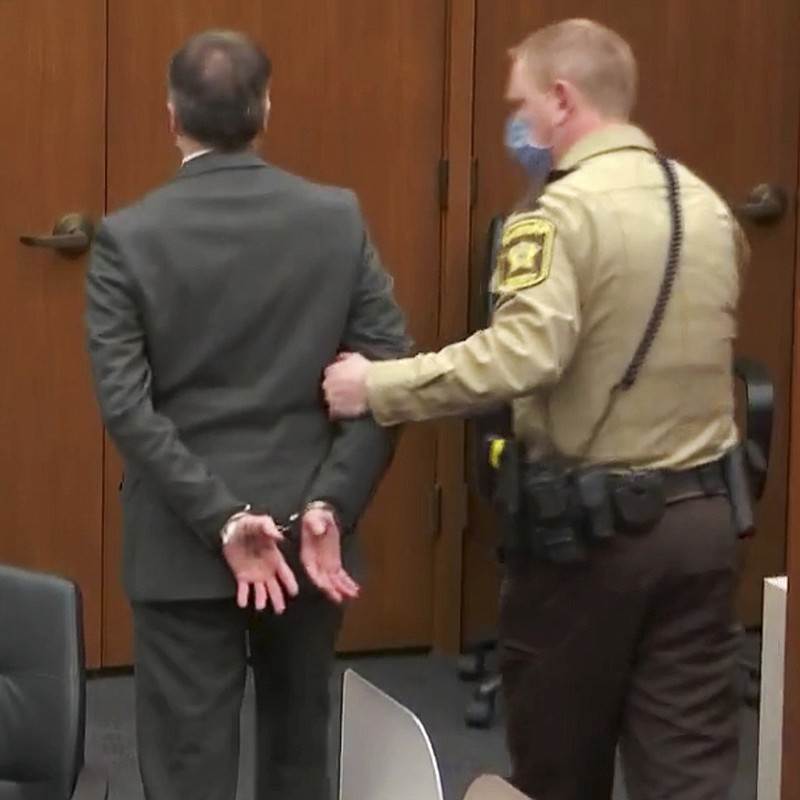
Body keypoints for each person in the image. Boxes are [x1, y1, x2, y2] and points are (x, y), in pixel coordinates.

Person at [324, 18, 750, 800]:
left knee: (557, 769)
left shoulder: (558, 214)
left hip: (589, 542)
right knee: (687, 771)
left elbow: (522, 357)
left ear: (562, 99)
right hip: (703, 525)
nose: (515, 120)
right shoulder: (705, 205)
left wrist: (378, 385)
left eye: (520, 103)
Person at [85, 29, 409, 800]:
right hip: (307, 542)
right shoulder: (336, 219)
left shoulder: (128, 240)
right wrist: (332, 500)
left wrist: (225, 519)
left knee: (188, 768)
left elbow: (128, 409)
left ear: (171, 117)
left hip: (180, 545)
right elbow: (388, 378)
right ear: (267, 109)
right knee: (299, 757)